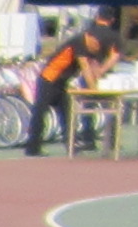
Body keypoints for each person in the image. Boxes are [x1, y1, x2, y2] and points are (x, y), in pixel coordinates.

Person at [24, 13, 99, 155]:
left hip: (61, 82)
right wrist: (93, 89)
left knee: (66, 113)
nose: (96, 46)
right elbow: (85, 67)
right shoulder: (79, 42)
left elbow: (93, 66)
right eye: (95, 42)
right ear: (89, 36)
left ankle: (70, 144)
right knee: (40, 112)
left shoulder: (88, 47)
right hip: (49, 79)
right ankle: (32, 148)